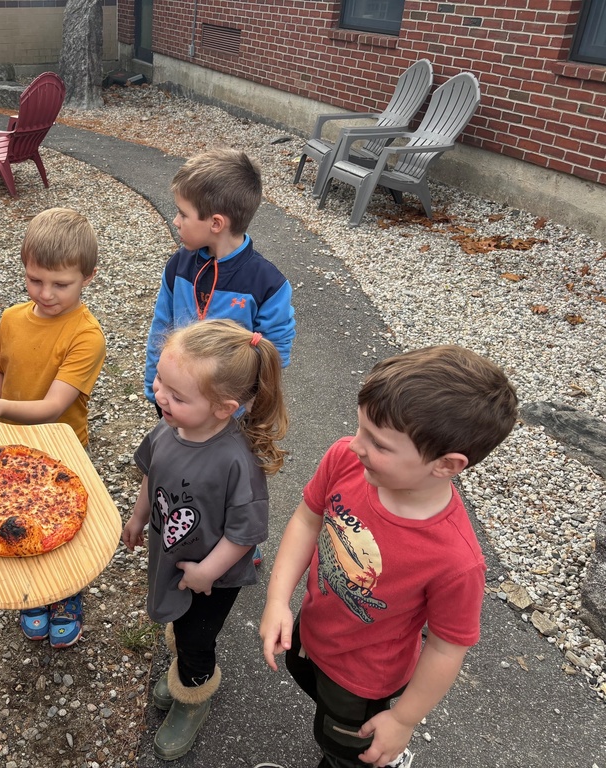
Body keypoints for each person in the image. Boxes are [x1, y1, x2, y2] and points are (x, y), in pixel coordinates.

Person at [259, 345, 518, 768]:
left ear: (446, 465)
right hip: (314, 632)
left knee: (346, 749)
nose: (355, 445)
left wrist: (402, 718)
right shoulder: (346, 457)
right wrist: (276, 599)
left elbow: (446, 648)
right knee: (311, 690)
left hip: (365, 678)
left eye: (377, 443)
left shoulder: (456, 558)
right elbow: (308, 520)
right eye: (359, 428)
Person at [122, 318, 289, 761]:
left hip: (213, 577)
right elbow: (149, 477)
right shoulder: (165, 429)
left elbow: (246, 533)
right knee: (180, 625)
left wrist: (206, 572)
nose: (160, 396)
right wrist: (139, 518)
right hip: (172, 555)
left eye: (177, 395)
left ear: (223, 407)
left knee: (197, 638)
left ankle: (193, 696)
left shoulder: (237, 462)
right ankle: (183, 671)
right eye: (160, 381)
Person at [143, 148, 296, 567]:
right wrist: (152, 382)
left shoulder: (266, 282)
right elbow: (162, 325)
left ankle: (240, 540)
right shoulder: (179, 266)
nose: (175, 221)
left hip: (233, 408)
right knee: (184, 459)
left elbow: (276, 347)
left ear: (215, 223)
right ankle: (178, 516)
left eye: (181, 213)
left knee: (232, 475)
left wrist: (249, 403)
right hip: (184, 394)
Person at [0, 207, 106, 649]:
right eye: (34, 280)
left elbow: (53, 406)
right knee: (17, 521)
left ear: (89, 277)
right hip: (11, 445)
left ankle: (65, 597)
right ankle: (34, 594)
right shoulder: (11, 319)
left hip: (62, 450)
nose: (45, 294)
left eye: (61, 284)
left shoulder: (87, 336)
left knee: (61, 528)